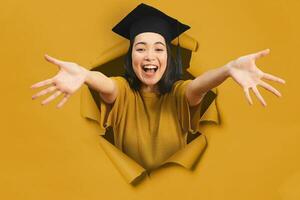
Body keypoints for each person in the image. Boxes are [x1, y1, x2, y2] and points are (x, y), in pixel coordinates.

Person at [30, 3, 285, 171]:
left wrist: (227, 70)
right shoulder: (122, 93)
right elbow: (105, 85)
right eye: (140, 48)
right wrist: (85, 74)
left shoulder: (179, 94)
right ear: (131, 57)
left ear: (168, 57)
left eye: (158, 48)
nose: (150, 56)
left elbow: (199, 86)